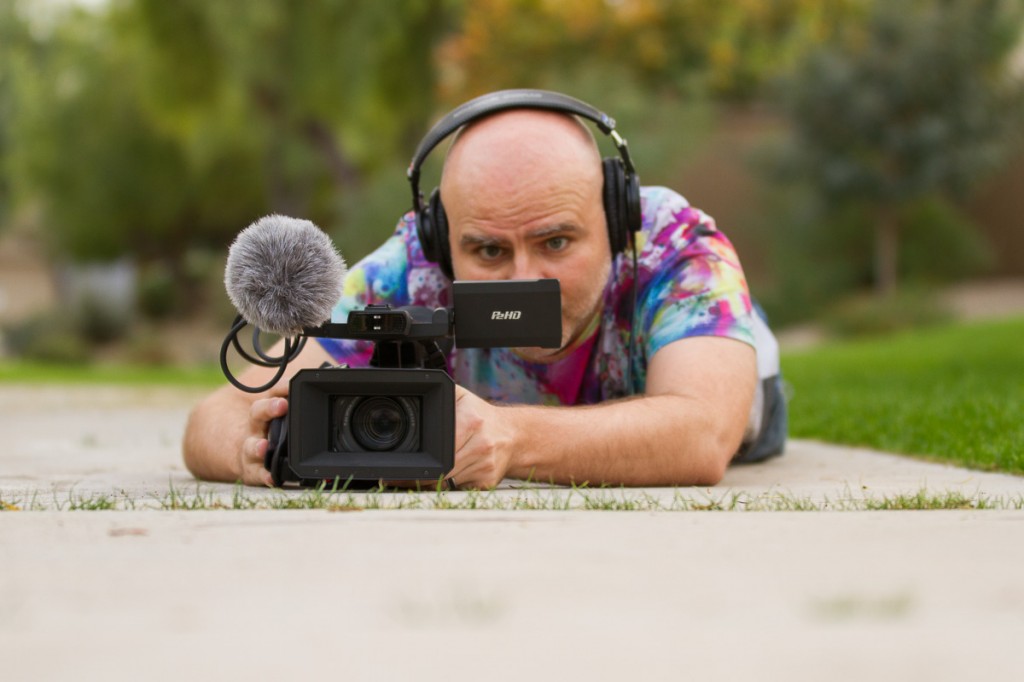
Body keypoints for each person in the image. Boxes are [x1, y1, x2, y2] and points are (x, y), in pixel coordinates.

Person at [183, 90, 786, 490]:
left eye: (555, 242)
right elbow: (216, 416)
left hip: (727, 379)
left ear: (614, 213)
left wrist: (512, 437)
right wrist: (252, 446)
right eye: (490, 250)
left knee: (741, 416)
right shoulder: (409, 269)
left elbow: (703, 435)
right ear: (442, 239)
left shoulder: (671, 243)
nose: (524, 280)